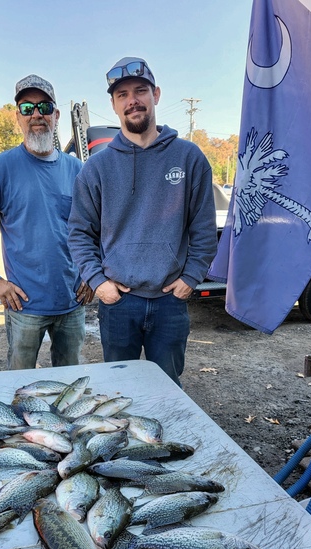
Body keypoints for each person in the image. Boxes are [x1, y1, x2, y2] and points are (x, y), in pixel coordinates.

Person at [68, 56, 217, 386]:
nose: (132, 100)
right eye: (122, 95)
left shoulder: (189, 158)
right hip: (118, 304)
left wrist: (192, 276)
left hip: (170, 303)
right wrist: (97, 282)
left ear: (156, 95)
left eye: (140, 91)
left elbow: (204, 230)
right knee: (118, 391)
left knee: (168, 389)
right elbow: (79, 233)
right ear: (114, 105)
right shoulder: (96, 168)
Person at [0, 73, 92, 370]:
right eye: (27, 108)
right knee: (19, 383)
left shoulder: (77, 169)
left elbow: (98, 227)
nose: (36, 115)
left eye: (44, 107)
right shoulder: (1, 168)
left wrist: (94, 274)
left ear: (56, 115)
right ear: (18, 117)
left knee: (70, 383)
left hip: (72, 301)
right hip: (23, 303)